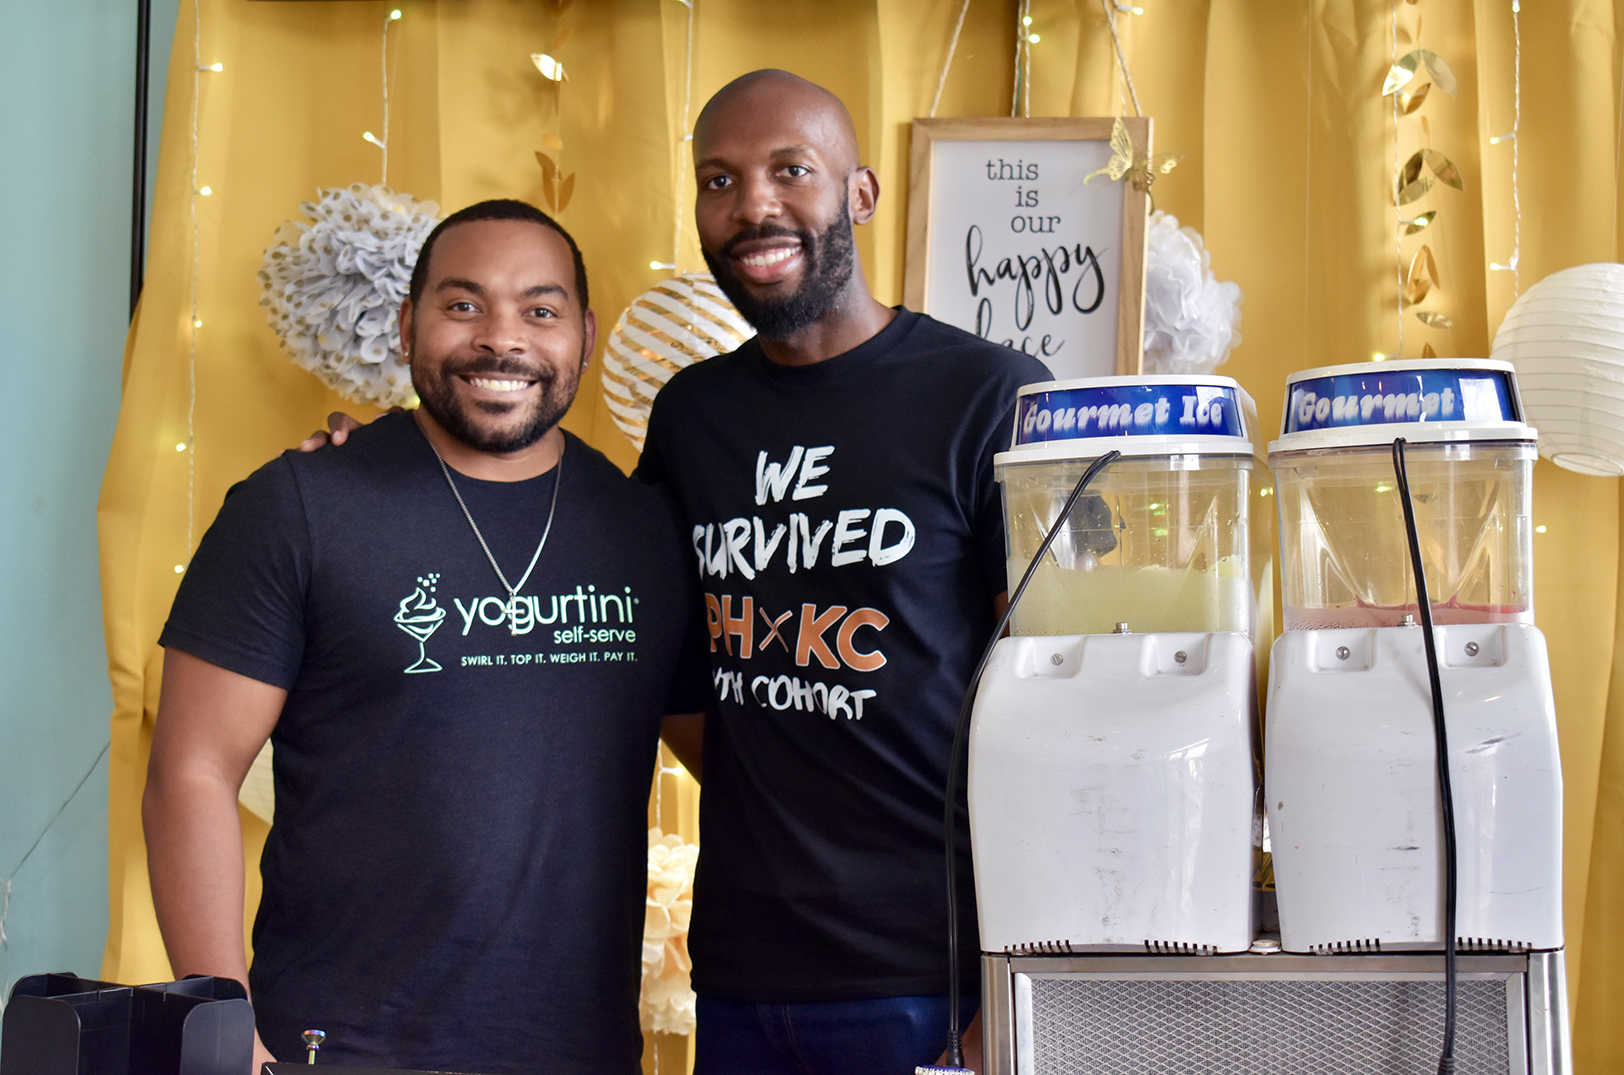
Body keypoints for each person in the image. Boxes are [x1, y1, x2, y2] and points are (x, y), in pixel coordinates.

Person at [143, 199, 706, 1074]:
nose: (501, 339)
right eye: (462, 304)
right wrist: (224, 1035)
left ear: (585, 336)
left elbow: (737, 755)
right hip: (334, 1047)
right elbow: (192, 769)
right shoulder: (299, 508)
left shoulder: (646, 529)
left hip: (579, 1051)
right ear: (408, 325)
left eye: (541, 310)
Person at [632, 71, 1052, 1075]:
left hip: (932, 973)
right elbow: (680, 678)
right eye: (718, 180)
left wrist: (1016, 984)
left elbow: (1058, 704)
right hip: (740, 969)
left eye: (790, 171)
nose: (752, 206)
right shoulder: (692, 417)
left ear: (858, 194)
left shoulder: (988, 395)